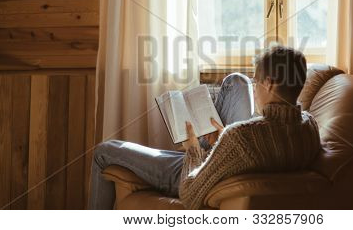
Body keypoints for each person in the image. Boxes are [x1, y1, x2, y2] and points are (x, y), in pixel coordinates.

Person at [89, 46, 321, 209]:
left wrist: (192, 149)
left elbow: (190, 195)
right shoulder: (309, 127)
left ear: (269, 83)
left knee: (104, 151)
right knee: (235, 81)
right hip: (222, 162)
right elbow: (256, 152)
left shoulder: (241, 135)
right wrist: (222, 141)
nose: (255, 88)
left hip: (193, 173)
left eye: (256, 81)